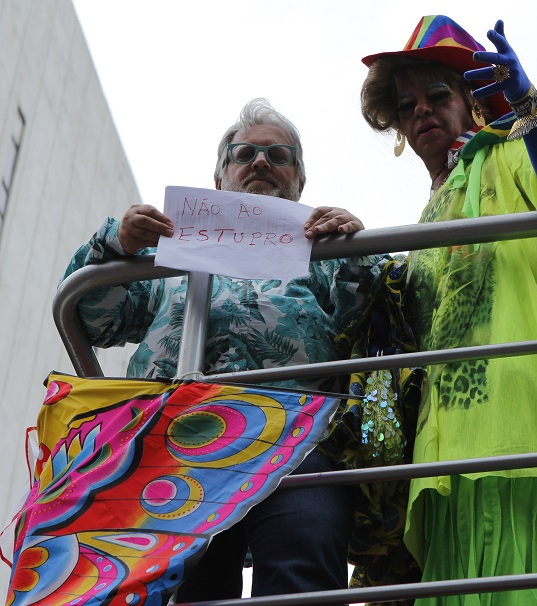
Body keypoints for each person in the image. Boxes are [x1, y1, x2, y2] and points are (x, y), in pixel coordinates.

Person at [60, 98, 387, 603]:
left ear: (298, 183)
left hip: (295, 439)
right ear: (219, 180)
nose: (261, 163)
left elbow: (374, 317)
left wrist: (354, 244)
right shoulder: (165, 254)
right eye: (245, 153)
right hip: (178, 439)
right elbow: (93, 319)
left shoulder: (320, 252)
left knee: (303, 565)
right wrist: (117, 244)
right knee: (192, 588)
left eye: (279, 156)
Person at [360, 15, 537, 606]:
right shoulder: (433, 207)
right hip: (446, 437)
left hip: (515, 420)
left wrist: (527, 105)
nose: (421, 112)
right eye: (407, 105)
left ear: (473, 103)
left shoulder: (505, 157)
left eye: (438, 95)